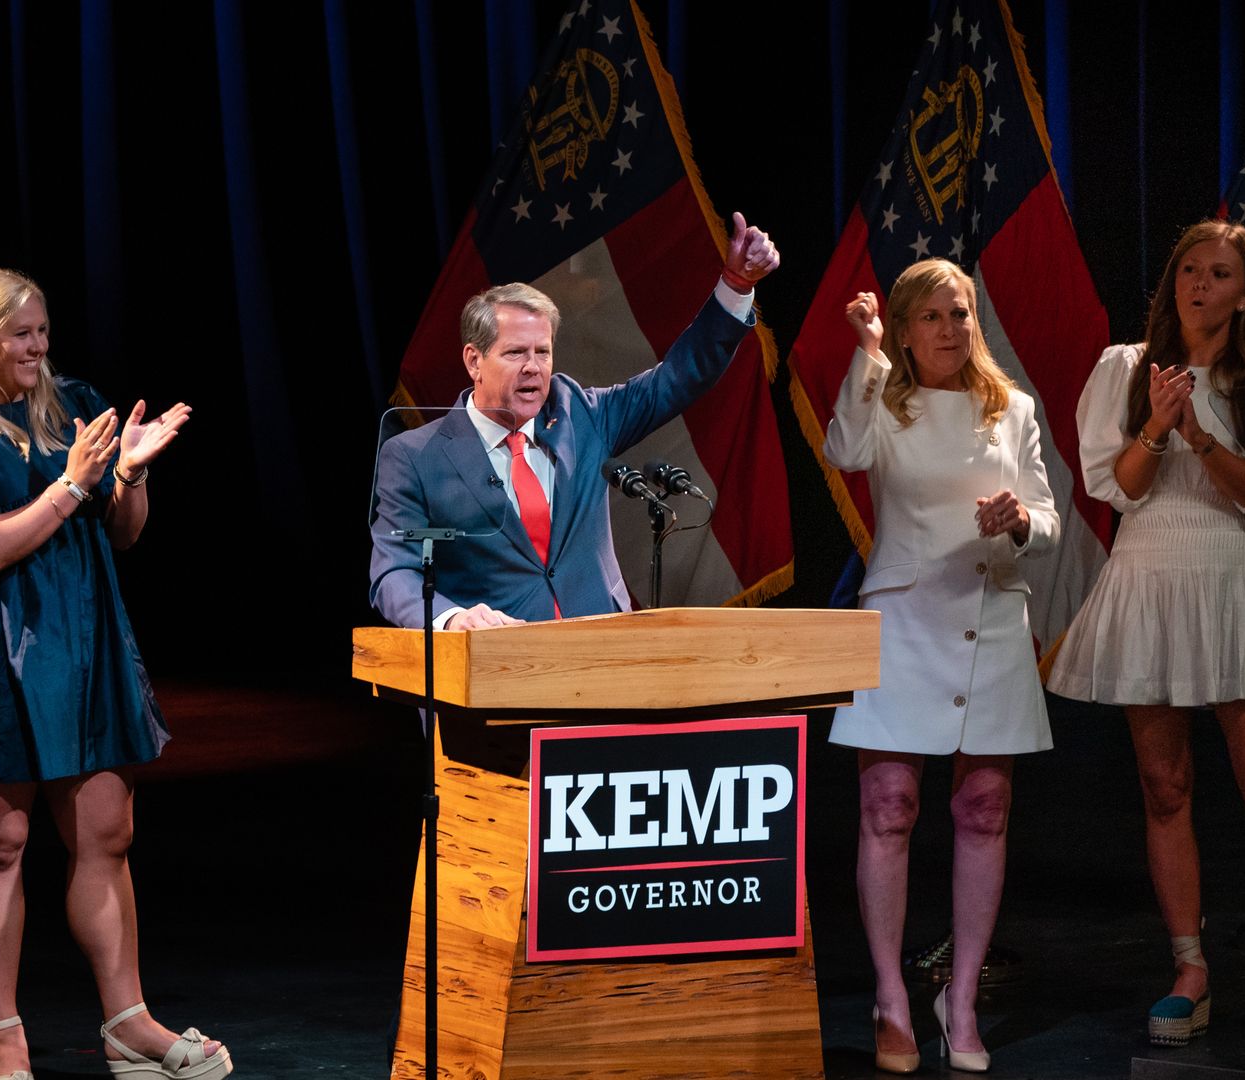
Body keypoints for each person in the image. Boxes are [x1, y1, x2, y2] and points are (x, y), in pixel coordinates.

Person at [0, 269, 221, 1080]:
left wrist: (128, 474)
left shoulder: (71, 402)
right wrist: (71, 484)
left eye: (43, 332)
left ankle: (128, 1025)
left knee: (107, 830)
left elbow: (125, 534)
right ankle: (6, 1035)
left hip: (78, 635)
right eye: (20, 334)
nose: (38, 347)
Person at [1047, 220, 1245, 1044]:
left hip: (1232, 577)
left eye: (1221, 273)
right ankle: (1190, 965)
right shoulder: (1123, 369)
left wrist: (1200, 434)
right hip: (1148, 576)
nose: (1200, 284)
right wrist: (1158, 426)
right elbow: (1119, 490)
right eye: (1190, 270)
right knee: (1166, 788)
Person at [821, 259, 1060, 1074]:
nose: (950, 329)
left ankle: (958, 1000)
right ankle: (891, 996)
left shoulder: (1013, 407)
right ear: (904, 325)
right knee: (890, 805)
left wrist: (1020, 518)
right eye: (930, 316)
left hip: (990, 617)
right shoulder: (885, 399)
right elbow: (842, 448)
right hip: (904, 621)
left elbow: (1052, 519)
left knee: (985, 808)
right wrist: (868, 352)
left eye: (959, 313)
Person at [368, 212, 778, 629]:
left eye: (542, 352)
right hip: (496, 669)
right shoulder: (415, 456)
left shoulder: (581, 414)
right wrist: (452, 620)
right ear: (474, 360)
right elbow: (393, 572)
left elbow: (677, 379)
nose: (534, 368)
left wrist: (737, 286)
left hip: (600, 659)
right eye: (515, 353)